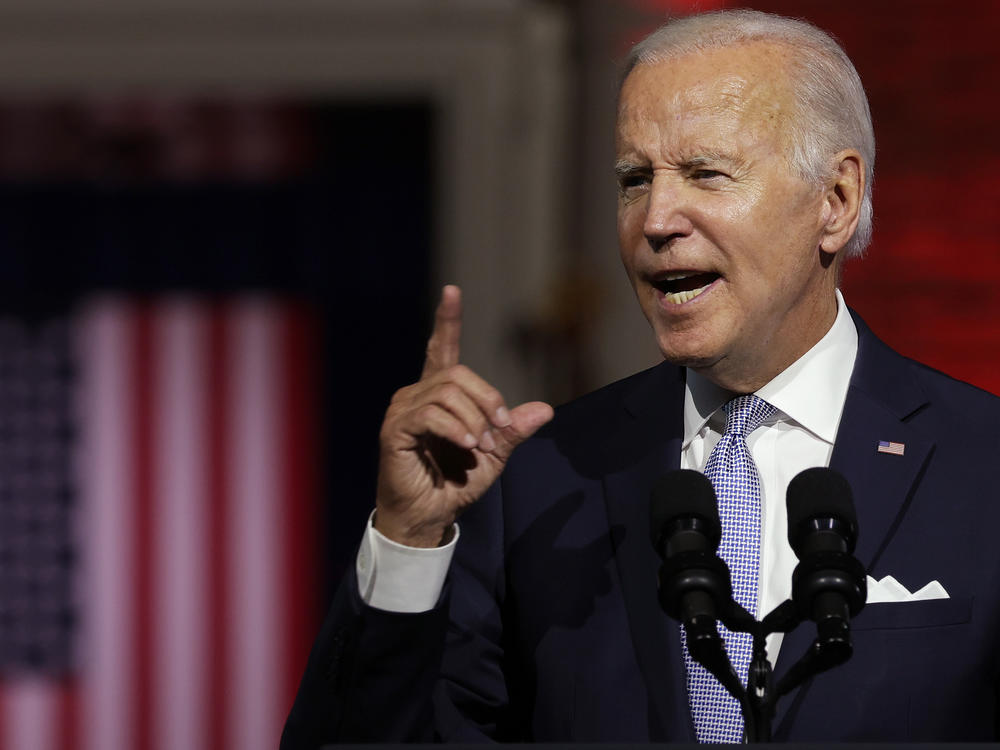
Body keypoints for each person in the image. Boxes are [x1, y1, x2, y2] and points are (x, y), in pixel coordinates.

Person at [282, 9, 1000, 745]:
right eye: (633, 179)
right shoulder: (536, 484)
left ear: (835, 201)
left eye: (705, 174)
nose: (655, 219)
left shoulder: (984, 463)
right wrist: (408, 538)